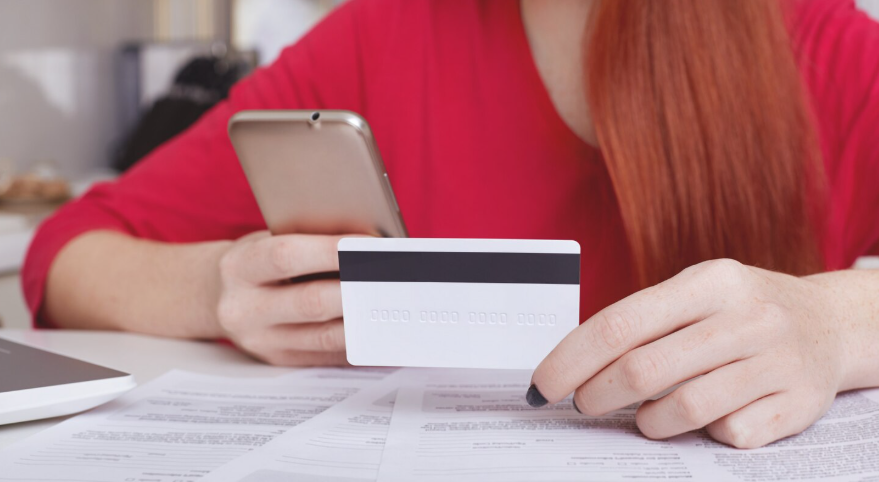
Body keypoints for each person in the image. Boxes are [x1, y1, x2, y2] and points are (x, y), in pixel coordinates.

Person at [23, 0, 879, 449]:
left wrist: (831, 325)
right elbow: (69, 252)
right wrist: (217, 293)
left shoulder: (819, 41)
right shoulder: (382, 32)